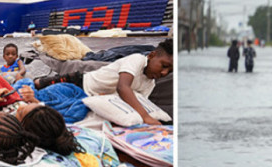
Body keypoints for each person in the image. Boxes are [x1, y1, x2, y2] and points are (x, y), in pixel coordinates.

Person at [33, 39, 173, 125]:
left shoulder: (150, 83)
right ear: (152, 55)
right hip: (80, 82)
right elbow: (123, 87)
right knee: (40, 85)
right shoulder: (136, 59)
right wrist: (146, 117)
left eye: (170, 71)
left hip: (93, 97)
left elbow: (136, 103)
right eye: (164, 66)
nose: (164, 73)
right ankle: (29, 81)